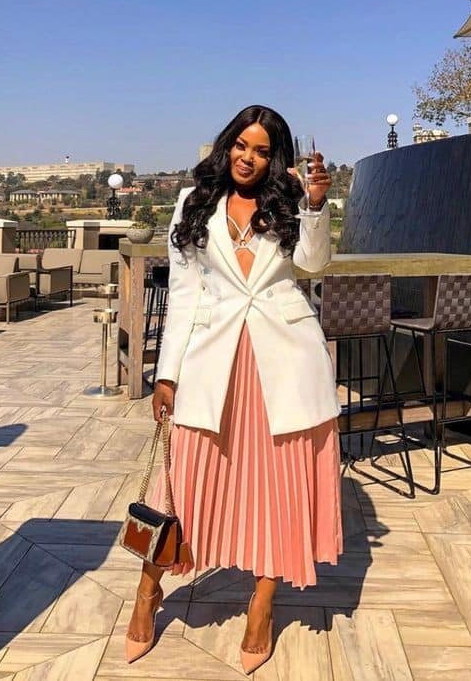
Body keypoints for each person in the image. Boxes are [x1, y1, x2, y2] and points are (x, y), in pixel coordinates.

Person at [126, 105, 342, 673]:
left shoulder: (291, 203)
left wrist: (315, 206)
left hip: (286, 362)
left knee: (279, 486)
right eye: (242, 146)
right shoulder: (193, 203)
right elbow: (185, 295)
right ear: (227, 147)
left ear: (276, 158)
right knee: (181, 481)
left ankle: (262, 606)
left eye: (263, 151)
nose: (250, 158)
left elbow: (312, 266)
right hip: (211, 360)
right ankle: (148, 589)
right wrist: (166, 373)